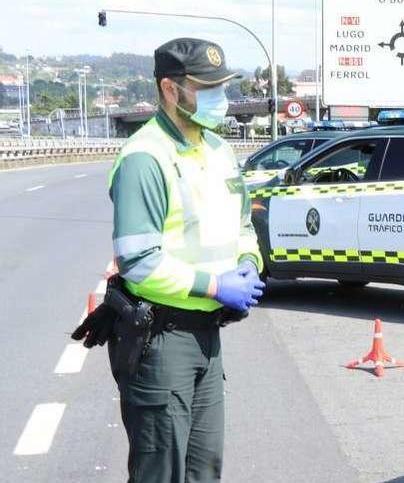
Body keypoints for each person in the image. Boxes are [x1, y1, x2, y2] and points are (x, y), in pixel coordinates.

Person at [73, 38, 265, 482]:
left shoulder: (219, 151)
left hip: (208, 337)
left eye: (223, 87)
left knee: (204, 469)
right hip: (162, 339)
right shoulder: (146, 157)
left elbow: (242, 226)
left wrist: (249, 264)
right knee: (160, 472)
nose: (220, 98)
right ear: (170, 89)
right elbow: (138, 262)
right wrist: (216, 286)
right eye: (206, 88)